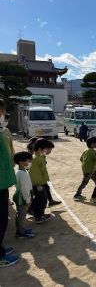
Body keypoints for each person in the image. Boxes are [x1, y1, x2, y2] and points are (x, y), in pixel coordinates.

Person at [0, 99, 19, 267]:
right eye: (2, 112)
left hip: (2, 182)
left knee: (3, 218)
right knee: (0, 219)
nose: (3, 115)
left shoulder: (3, 131)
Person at [28, 138, 54, 223]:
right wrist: (38, 184)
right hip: (38, 184)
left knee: (43, 200)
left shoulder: (40, 157)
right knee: (40, 201)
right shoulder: (35, 159)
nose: (47, 151)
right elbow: (34, 174)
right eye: (46, 149)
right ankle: (38, 217)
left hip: (41, 183)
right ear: (40, 149)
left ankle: (40, 214)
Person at [13, 151, 36, 239]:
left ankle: (21, 229)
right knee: (21, 215)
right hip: (22, 197)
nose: (29, 162)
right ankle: (20, 232)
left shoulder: (22, 171)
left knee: (21, 214)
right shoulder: (21, 173)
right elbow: (24, 189)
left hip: (22, 196)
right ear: (21, 162)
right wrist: (28, 200)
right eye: (28, 160)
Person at [74, 136, 96, 201]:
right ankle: (77, 194)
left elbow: (81, 158)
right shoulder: (92, 151)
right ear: (92, 144)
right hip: (89, 170)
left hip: (87, 169)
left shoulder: (86, 150)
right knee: (84, 182)